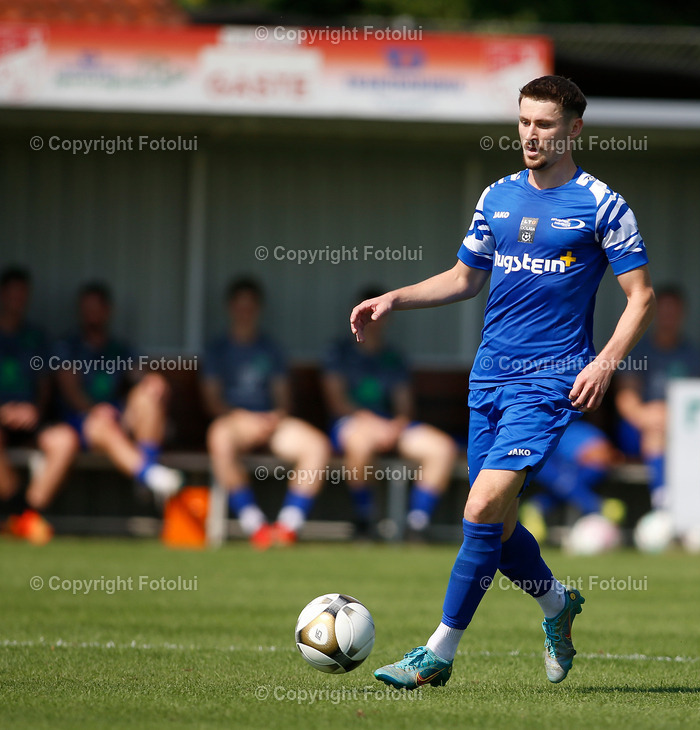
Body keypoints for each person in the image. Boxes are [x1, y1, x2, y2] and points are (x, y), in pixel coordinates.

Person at [353, 75, 654, 689]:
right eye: (524, 122)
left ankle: (437, 653)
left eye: (544, 124)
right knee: (499, 524)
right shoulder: (496, 196)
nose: (531, 134)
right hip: (488, 379)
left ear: (574, 129)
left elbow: (641, 297)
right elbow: (464, 278)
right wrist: (395, 298)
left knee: (481, 505)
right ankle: (557, 604)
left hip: (549, 382)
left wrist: (603, 362)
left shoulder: (602, 205)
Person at [202, 277, 331, 549]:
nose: (245, 313)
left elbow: (283, 400)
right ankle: (255, 525)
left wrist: (274, 417)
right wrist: (243, 418)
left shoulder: (271, 349)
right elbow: (213, 402)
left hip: (271, 423)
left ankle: (288, 526)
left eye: (250, 307)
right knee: (219, 438)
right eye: (240, 307)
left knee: (317, 445)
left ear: (258, 309)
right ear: (230, 308)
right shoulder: (217, 350)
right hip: (235, 422)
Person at [322, 287, 457, 540]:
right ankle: (365, 519)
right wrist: (374, 424)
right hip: (352, 423)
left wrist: (396, 426)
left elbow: (404, 407)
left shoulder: (393, 358)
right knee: (360, 443)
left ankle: (417, 524)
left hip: (389, 427)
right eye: (367, 314)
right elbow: (337, 402)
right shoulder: (339, 352)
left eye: (378, 315)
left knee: (442, 449)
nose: (373, 321)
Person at [54, 282, 182, 500]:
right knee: (102, 423)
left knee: (148, 396)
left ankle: (146, 475)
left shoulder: (119, 347)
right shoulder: (68, 346)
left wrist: (153, 381)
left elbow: (139, 374)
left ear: (107, 311)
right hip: (82, 420)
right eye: (87, 309)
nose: (91, 315)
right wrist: (94, 409)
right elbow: (71, 392)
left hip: (116, 416)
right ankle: (149, 474)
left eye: (96, 309)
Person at [0, 267, 78, 544]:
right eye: (13, 294)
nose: (18, 300)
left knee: (65, 440)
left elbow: (45, 385)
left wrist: (35, 409)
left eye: (23, 295)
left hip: (31, 419)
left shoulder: (36, 336)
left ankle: (26, 515)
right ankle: (18, 512)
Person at [615, 284, 700, 510]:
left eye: (673, 312)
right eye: (664, 311)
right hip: (638, 429)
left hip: (678, 429)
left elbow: (697, 402)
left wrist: (672, 418)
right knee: (656, 432)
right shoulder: (637, 350)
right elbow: (626, 399)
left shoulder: (693, 355)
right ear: (654, 313)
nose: (668, 318)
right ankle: (663, 503)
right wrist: (651, 417)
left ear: (682, 314)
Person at [519, 419, 625, 544]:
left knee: (580, 477)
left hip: (571, 464)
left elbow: (606, 456)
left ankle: (538, 506)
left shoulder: (592, 438)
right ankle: (598, 507)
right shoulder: (549, 430)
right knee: (561, 479)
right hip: (538, 456)